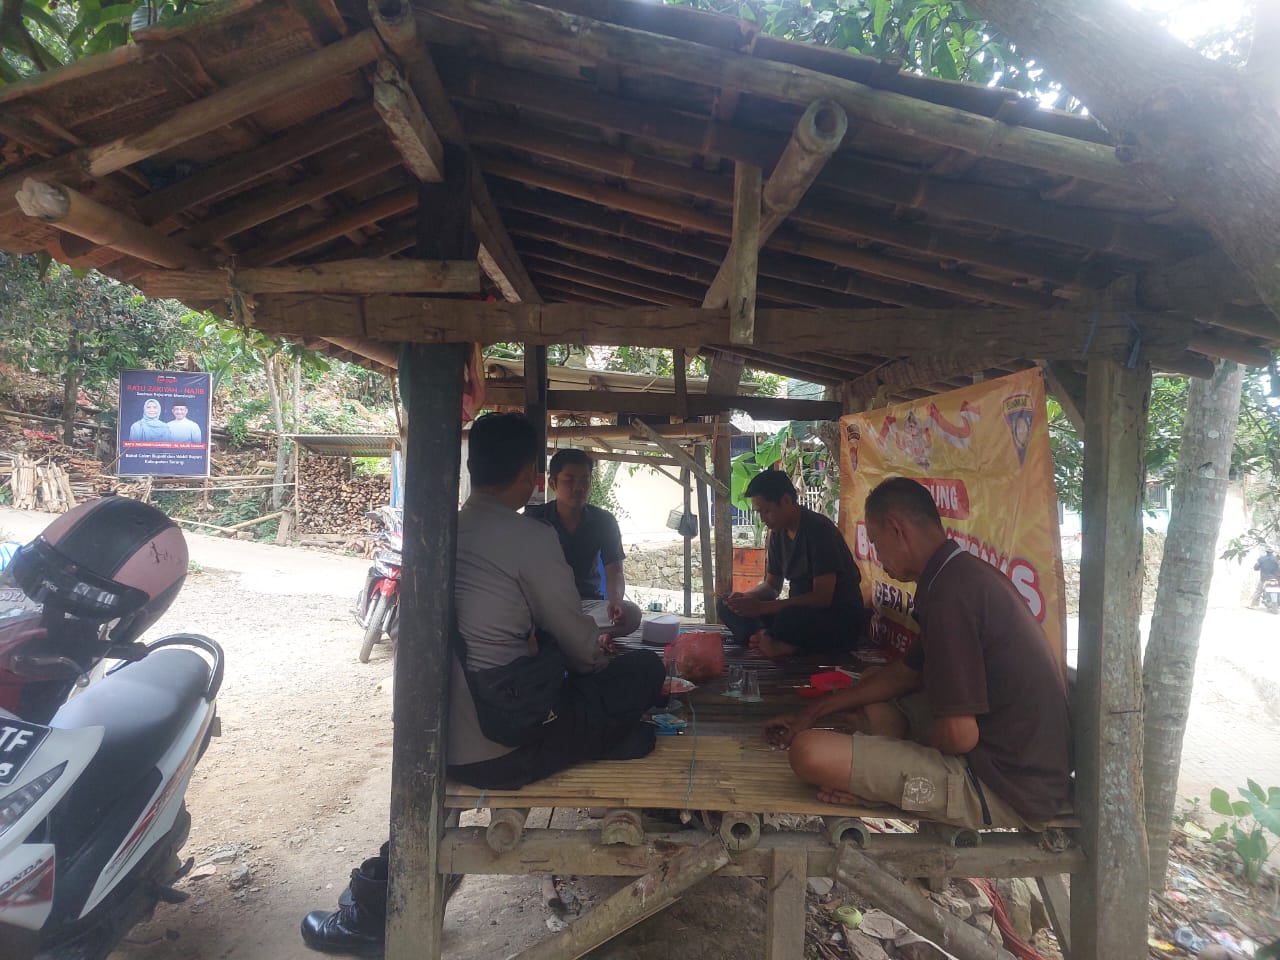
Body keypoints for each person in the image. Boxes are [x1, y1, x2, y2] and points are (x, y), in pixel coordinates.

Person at [300, 413, 665, 956]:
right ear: (532, 473)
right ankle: (623, 737)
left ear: (473, 466)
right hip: (502, 745)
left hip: (431, 740)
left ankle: (373, 908)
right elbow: (583, 650)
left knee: (582, 690)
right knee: (642, 672)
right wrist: (607, 648)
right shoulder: (530, 536)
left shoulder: (438, 530)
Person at [765, 476, 1072, 830]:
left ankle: (886, 781)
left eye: (876, 544)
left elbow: (960, 736)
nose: (878, 557)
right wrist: (812, 713)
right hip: (1015, 763)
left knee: (809, 752)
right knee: (872, 690)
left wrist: (896, 755)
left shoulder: (949, 595)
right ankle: (884, 757)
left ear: (897, 529)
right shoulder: (956, 573)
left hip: (1002, 787)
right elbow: (904, 674)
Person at [716, 469, 864, 659]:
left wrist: (761, 608)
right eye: (759, 513)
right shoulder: (777, 534)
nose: (763, 519)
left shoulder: (819, 531)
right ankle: (763, 637)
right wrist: (745, 599)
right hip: (798, 611)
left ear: (786, 500)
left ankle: (772, 641)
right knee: (725, 604)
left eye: (766, 511)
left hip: (833, 617)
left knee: (789, 618)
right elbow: (772, 586)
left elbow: (822, 598)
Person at [524, 448, 643, 639]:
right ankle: (584, 635)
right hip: (545, 605)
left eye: (584, 480)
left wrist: (616, 601)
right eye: (569, 480)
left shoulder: (604, 521)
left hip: (587, 606)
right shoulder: (535, 519)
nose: (578, 487)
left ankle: (566, 635)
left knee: (632, 614)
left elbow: (614, 571)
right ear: (553, 483)